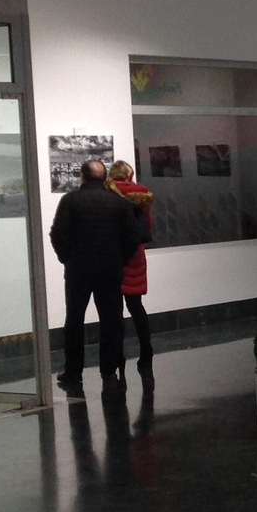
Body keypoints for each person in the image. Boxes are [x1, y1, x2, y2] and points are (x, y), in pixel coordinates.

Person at [49, 159, 143, 394]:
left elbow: (57, 233)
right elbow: (132, 238)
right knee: (111, 321)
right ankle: (109, 370)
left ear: (82, 176)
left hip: (78, 271)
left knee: (74, 321)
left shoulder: (70, 201)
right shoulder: (119, 203)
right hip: (110, 270)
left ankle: (73, 370)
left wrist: (66, 258)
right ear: (104, 178)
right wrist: (119, 260)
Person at [107, 160, 155, 380]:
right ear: (128, 175)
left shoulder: (109, 194)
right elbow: (149, 227)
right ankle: (146, 350)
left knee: (115, 309)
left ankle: (118, 355)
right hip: (135, 254)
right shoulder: (141, 195)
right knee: (136, 306)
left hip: (115, 254)